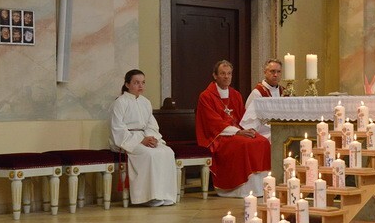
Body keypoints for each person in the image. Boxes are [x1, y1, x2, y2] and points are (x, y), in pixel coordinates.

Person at [196, 60, 271, 197]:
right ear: (215, 75)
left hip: (238, 132)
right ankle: (240, 189)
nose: (226, 77)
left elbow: (243, 118)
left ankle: (260, 188)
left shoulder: (235, 95)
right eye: (222, 73)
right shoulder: (206, 96)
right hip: (218, 136)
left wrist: (249, 129)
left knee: (262, 141)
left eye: (229, 73)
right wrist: (238, 132)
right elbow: (213, 123)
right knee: (244, 144)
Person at [109, 69, 178, 207]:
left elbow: (151, 124)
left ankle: (164, 194)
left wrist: (152, 138)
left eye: (143, 82)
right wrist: (140, 141)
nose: (140, 86)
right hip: (127, 141)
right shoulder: (120, 103)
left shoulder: (145, 102)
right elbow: (117, 128)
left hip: (145, 137)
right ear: (127, 84)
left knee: (167, 152)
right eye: (136, 83)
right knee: (149, 154)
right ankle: (147, 197)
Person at [241, 58, 285, 139]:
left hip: (282, 130)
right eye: (272, 71)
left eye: (279, 71)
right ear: (265, 72)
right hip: (264, 133)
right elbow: (250, 121)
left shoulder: (284, 92)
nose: (276, 75)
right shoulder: (257, 93)